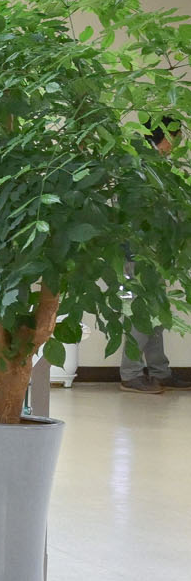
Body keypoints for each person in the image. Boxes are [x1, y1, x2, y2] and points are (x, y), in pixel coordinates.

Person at [119, 117, 185, 394]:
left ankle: (160, 371)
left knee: (156, 312)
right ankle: (130, 374)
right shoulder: (139, 166)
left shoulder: (156, 165)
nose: (177, 143)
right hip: (139, 253)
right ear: (164, 135)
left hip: (154, 253)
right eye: (175, 137)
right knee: (141, 312)